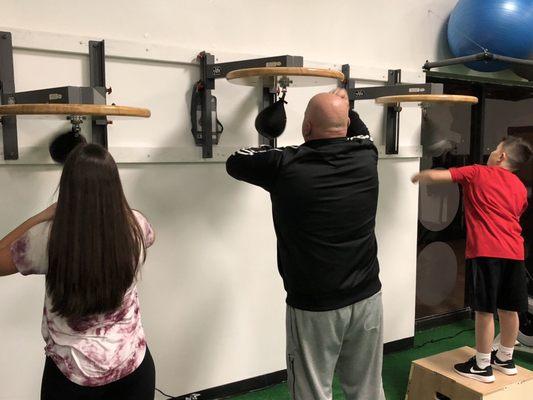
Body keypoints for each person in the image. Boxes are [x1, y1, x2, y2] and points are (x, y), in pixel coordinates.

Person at [226, 88, 385, 400]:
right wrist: (345, 108)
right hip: (368, 297)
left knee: (311, 392)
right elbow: (359, 130)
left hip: (316, 306)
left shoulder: (285, 165)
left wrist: (287, 150)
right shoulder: (367, 154)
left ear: (307, 127)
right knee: (367, 390)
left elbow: (235, 161)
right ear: (346, 123)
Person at [0, 144, 156, 399]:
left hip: (71, 378)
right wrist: (114, 208)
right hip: (133, 368)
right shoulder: (137, 226)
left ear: (68, 188)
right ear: (114, 187)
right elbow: (152, 236)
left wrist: (43, 215)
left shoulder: (48, 238)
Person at [412, 136, 532, 383]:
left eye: (496, 149)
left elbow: (440, 176)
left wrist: (418, 175)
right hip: (515, 252)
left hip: (487, 251)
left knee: (485, 310)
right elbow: (516, 213)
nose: (492, 151)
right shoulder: (520, 187)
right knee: (510, 309)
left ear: (501, 156)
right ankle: (505, 359)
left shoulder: (478, 172)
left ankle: (482, 365)